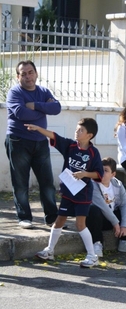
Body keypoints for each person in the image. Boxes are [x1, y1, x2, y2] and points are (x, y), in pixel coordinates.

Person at [25, 118, 104, 268]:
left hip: (83, 194)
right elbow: (54, 136)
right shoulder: (70, 146)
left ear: (90, 135)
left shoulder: (94, 153)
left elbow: (99, 173)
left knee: (80, 224)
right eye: (77, 128)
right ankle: (49, 251)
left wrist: (85, 174)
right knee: (59, 220)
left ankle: (92, 256)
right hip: (68, 192)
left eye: (81, 130)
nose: (77, 131)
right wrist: (38, 128)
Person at [5, 60, 61, 229]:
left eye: (30, 72)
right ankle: (24, 217)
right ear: (18, 77)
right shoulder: (15, 92)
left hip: (40, 141)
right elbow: (21, 113)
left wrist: (35, 106)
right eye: (23, 74)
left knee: (47, 182)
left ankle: (52, 218)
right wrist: (44, 109)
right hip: (18, 141)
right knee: (21, 182)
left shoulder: (43, 91)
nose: (28, 77)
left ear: (36, 74)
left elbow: (56, 108)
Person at [86, 157, 126, 257]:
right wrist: (116, 223)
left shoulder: (117, 184)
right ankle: (96, 243)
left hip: (112, 219)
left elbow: (125, 203)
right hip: (98, 219)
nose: (101, 172)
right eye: (99, 169)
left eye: (105, 170)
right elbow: (103, 207)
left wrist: (124, 225)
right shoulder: (92, 184)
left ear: (113, 174)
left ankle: (125, 242)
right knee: (93, 210)